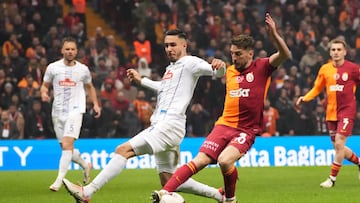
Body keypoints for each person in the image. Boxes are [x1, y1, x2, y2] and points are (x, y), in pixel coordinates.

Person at [62, 28, 226, 203]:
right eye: (166, 45)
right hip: (167, 126)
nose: (169, 49)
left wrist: (220, 66)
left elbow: (216, 72)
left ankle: (87, 192)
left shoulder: (190, 62)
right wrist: (142, 81)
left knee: (122, 150)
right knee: (169, 180)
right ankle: (218, 195)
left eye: (173, 45)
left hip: (168, 125)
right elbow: (163, 87)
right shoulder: (172, 68)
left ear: (184, 45)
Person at [152, 13, 291, 203]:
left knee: (225, 161)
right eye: (232, 53)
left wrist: (274, 34)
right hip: (223, 125)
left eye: (238, 54)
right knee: (199, 161)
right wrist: (217, 65)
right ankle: (164, 193)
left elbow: (285, 55)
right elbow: (212, 71)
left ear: (251, 53)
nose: (234, 57)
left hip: (246, 129)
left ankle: (230, 200)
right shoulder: (230, 70)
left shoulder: (262, 67)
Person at [296, 38, 360, 188]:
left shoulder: (353, 69)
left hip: (347, 111)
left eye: (339, 50)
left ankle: (331, 179)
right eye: (333, 50)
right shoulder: (325, 69)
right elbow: (317, 88)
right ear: (330, 52)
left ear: (345, 52)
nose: (336, 52)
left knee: (339, 143)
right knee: (339, 148)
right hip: (331, 112)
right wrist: (305, 97)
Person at [40, 37, 101, 192]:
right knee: (66, 148)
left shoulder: (83, 69)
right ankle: (85, 164)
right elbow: (44, 85)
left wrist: (95, 104)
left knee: (67, 145)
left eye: (72, 49)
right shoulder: (53, 68)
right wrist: (44, 93)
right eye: (67, 49)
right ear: (62, 50)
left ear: (76, 51)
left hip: (75, 110)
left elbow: (90, 87)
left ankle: (59, 181)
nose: (70, 51)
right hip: (57, 112)